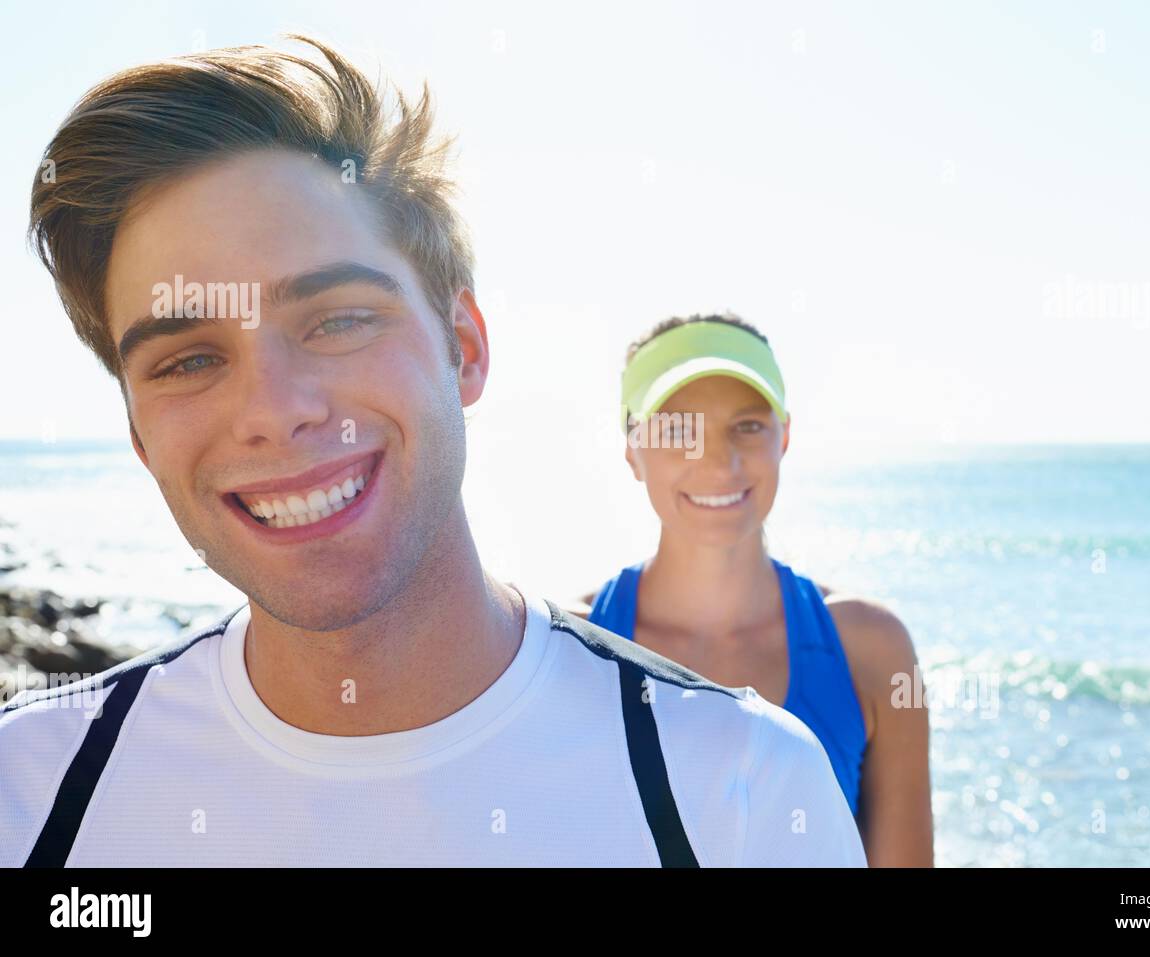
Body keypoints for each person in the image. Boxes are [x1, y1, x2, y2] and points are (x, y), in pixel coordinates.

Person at [0, 37, 865, 867]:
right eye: (188, 360)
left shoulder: (740, 791)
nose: (273, 412)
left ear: (466, 345)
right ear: (140, 436)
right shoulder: (29, 797)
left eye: (336, 319)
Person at [571, 313, 934, 865]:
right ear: (631, 449)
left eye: (747, 425)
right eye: (679, 431)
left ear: (783, 436)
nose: (720, 461)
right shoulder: (568, 647)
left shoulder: (874, 650)